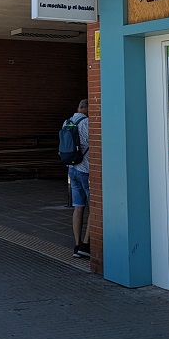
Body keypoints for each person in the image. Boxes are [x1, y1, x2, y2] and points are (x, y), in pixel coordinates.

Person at [68, 99, 91, 258]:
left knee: (78, 206)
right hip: (85, 169)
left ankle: (76, 245)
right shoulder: (87, 123)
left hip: (71, 168)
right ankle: (86, 244)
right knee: (94, 207)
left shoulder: (67, 122)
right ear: (87, 108)